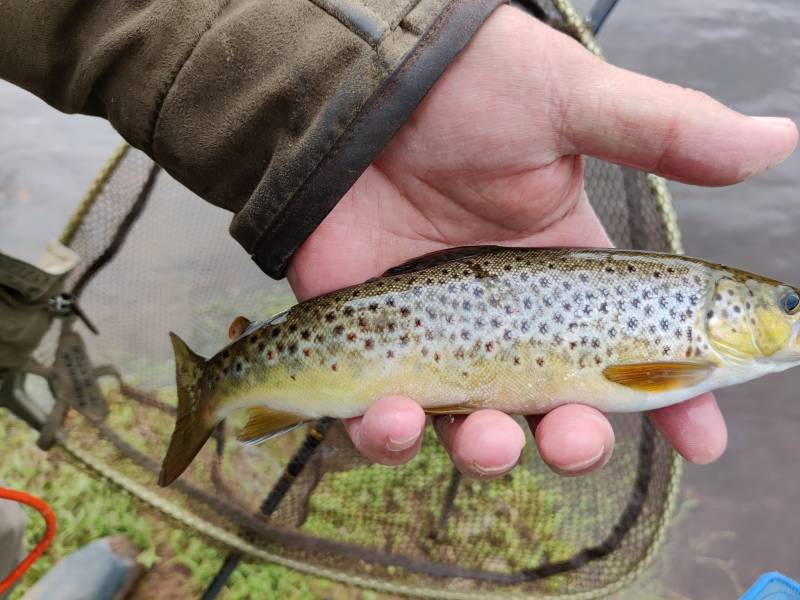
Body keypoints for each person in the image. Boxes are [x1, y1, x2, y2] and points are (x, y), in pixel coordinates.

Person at [0, 1, 796, 482]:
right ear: (727, 307)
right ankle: (227, 386)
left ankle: (230, 386)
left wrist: (381, 75)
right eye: (785, 305)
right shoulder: (683, 351)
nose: (788, 315)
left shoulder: (690, 348)